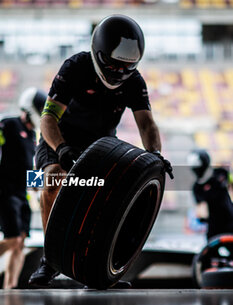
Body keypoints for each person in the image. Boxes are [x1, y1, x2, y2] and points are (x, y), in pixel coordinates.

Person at [28, 14, 173, 288]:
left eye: (125, 67)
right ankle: (50, 261)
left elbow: (146, 123)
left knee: (108, 199)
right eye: (113, 65)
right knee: (53, 180)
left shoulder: (134, 82)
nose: (118, 72)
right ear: (98, 54)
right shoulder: (74, 67)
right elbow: (48, 118)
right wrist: (62, 149)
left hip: (100, 144)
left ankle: (97, 263)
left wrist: (155, 154)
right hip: (61, 138)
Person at [0, 87, 46, 289]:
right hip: (6, 191)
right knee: (12, 239)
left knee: (20, 243)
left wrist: (37, 190)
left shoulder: (32, 135)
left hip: (21, 194)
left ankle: (10, 287)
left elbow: (33, 164)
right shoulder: (9, 124)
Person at [188, 149, 233, 241]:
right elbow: (201, 213)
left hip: (229, 222)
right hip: (214, 227)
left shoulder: (221, 173)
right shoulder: (197, 188)